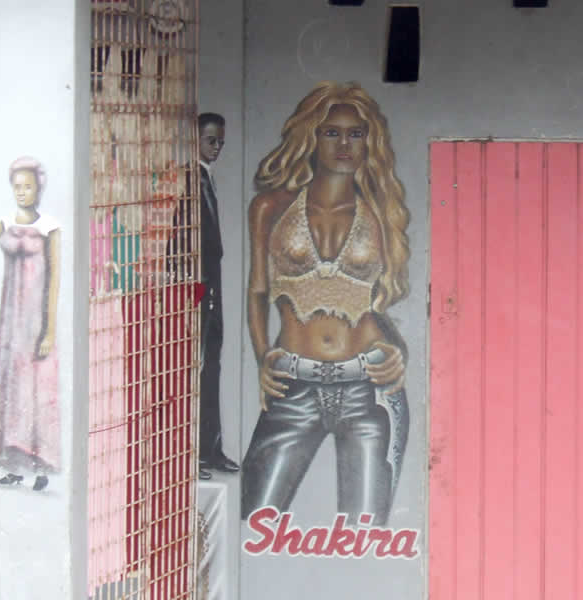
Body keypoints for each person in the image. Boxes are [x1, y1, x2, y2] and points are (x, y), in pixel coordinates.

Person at [241, 82, 410, 526]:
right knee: (254, 521)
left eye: (356, 134)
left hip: (368, 387)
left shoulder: (380, 211)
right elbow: (257, 290)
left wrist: (398, 351)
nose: (344, 144)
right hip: (292, 384)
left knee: (366, 532)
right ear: (311, 136)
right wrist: (262, 357)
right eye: (331, 132)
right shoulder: (270, 207)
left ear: (369, 142)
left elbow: (379, 304)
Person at [168, 112, 239, 480]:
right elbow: (180, 238)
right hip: (197, 285)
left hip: (211, 283)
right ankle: (191, 452)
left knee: (212, 365)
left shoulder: (205, 177)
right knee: (194, 368)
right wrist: (192, 287)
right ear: (195, 139)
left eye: (221, 142)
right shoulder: (188, 179)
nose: (217, 148)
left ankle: (210, 449)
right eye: (211, 141)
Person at [0, 157, 60, 492]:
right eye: (17, 186)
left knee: (38, 391)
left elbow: (55, 277)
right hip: (10, 321)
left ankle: (41, 466)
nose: (21, 192)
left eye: (27, 186)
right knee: (11, 390)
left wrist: (50, 328)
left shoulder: (49, 227)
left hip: (35, 319)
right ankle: (13, 466)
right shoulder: (3, 223)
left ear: (38, 188)